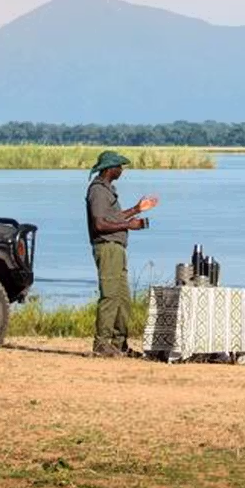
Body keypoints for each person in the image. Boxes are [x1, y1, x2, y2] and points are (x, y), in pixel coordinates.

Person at [85, 150, 157, 358]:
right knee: (110, 295)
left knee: (122, 298)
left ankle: (119, 343)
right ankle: (102, 343)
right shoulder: (98, 191)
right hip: (107, 247)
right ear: (110, 169)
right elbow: (100, 224)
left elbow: (113, 217)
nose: (121, 170)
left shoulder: (108, 190)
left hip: (117, 248)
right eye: (119, 166)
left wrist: (136, 210)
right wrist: (130, 225)